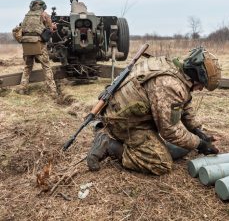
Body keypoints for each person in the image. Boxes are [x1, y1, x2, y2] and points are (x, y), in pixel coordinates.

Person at [87, 47, 221, 175]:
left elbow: (184, 103)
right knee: (161, 163)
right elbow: (170, 131)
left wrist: (196, 130)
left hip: (126, 114)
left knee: (183, 145)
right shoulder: (169, 85)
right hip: (124, 123)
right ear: (197, 76)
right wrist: (200, 144)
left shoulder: (174, 68)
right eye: (202, 85)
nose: (201, 89)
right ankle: (109, 145)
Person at [16, 0, 58, 97]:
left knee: (27, 67)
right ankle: (53, 92)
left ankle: (23, 89)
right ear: (42, 6)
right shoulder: (44, 15)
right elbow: (51, 29)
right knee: (46, 67)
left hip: (26, 44)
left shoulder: (27, 15)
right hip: (38, 44)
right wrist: (54, 27)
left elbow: (23, 29)